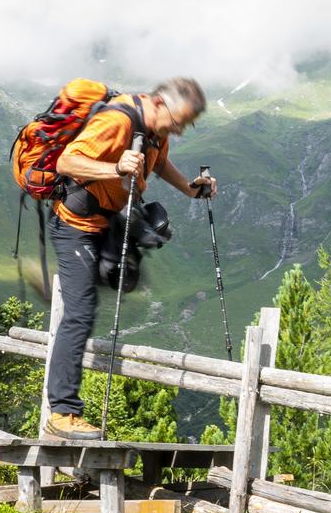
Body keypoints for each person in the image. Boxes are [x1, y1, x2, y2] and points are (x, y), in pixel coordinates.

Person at [42, 77, 214, 440]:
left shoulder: (153, 129)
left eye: (186, 124)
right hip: (75, 226)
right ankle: (62, 413)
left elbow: (159, 162)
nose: (179, 129)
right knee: (80, 313)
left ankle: (70, 278)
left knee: (124, 278)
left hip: (108, 221)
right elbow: (67, 162)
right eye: (179, 120)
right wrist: (114, 169)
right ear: (157, 103)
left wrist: (190, 189)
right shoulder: (117, 121)